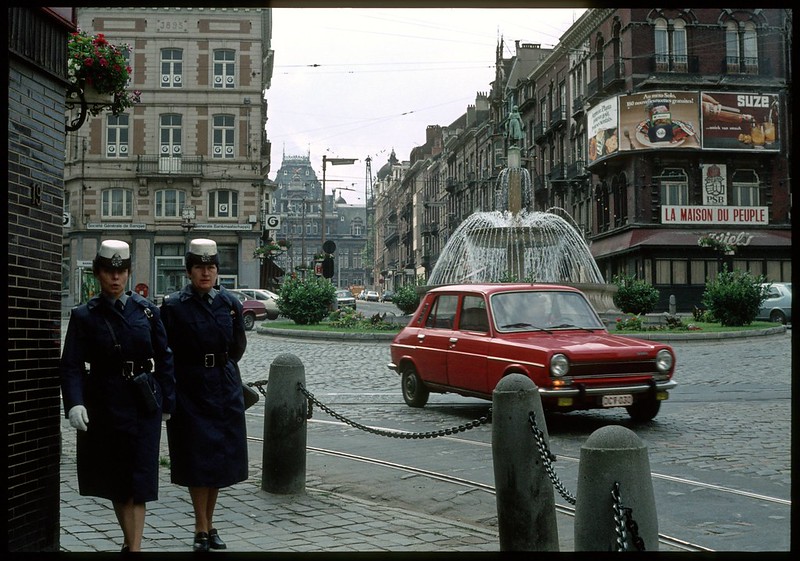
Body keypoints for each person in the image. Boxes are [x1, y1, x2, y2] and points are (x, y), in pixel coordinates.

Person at [61, 240, 175, 552]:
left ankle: (133, 548)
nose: (115, 278)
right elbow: (70, 364)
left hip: (142, 404)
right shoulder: (85, 316)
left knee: (138, 481)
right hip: (105, 403)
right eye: (109, 272)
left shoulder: (148, 312)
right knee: (117, 480)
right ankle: (130, 543)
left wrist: (166, 402)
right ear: (98, 273)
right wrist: (75, 403)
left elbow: (165, 358)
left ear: (128, 273)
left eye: (121, 271)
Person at [160, 238, 249, 552]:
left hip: (224, 385)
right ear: (189, 271)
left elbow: (237, 346)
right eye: (199, 267)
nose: (205, 273)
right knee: (197, 459)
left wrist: (221, 368)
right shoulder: (173, 306)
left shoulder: (229, 303)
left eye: (210, 267)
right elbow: (165, 351)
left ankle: (210, 525)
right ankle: (200, 527)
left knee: (220, 460)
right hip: (191, 386)